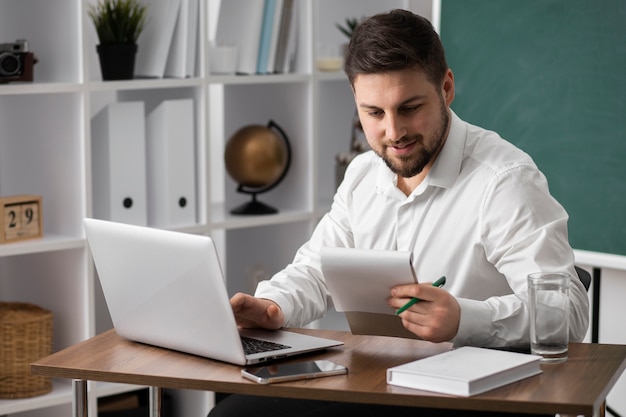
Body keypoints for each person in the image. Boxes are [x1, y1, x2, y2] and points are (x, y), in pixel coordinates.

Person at [208, 9, 589, 417]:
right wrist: (272, 306)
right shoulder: (362, 174)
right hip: (375, 378)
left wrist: (464, 318)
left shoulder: (505, 181)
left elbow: (567, 310)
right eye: (373, 113)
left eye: (409, 108)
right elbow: (317, 269)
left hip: (470, 396)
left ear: (446, 88)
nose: (393, 133)